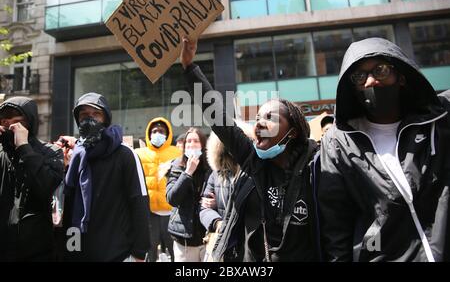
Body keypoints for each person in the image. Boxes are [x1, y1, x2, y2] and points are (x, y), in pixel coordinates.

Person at [178, 38, 319, 262]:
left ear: (292, 132)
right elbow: (218, 119)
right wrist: (189, 67)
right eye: (257, 118)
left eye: (270, 118)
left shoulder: (316, 168)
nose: (259, 123)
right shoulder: (252, 161)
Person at [317, 37, 450, 262]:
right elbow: (336, 224)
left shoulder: (440, 118)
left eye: (381, 70)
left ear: (400, 75)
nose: (371, 81)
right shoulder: (338, 143)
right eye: (360, 76)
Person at [63, 92, 150, 262]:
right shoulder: (76, 156)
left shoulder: (125, 154)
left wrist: (139, 254)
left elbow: (139, 203)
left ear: (106, 118)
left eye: (96, 114)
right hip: (81, 254)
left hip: (118, 255)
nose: (90, 119)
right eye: (84, 115)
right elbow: (70, 208)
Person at [0, 96, 64, 261]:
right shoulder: (1, 153)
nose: (9, 125)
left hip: (37, 251)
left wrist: (24, 147)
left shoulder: (50, 152)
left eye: (16, 120)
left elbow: (46, 186)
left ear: (30, 122)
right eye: (4, 120)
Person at [200, 120, 254, 261]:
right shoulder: (217, 175)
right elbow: (203, 208)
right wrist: (217, 222)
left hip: (251, 242)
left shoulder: (256, 171)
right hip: (225, 244)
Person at [135, 117, 181, 262]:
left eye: (161, 131)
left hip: (171, 211)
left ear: (167, 134)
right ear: (149, 134)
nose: (157, 134)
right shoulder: (139, 154)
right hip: (150, 211)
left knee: (175, 251)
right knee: (150, 250)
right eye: (154, 131)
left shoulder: (177, 152)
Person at [166, 127, 211, 262]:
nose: (191, 145)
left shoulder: (211, 167)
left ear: (203, 145)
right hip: (184, 240)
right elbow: (172, 198)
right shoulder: (177, 165)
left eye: (196, 141)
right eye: (188, 142)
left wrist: (213, 202)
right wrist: (187, 173)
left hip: (207, 238)